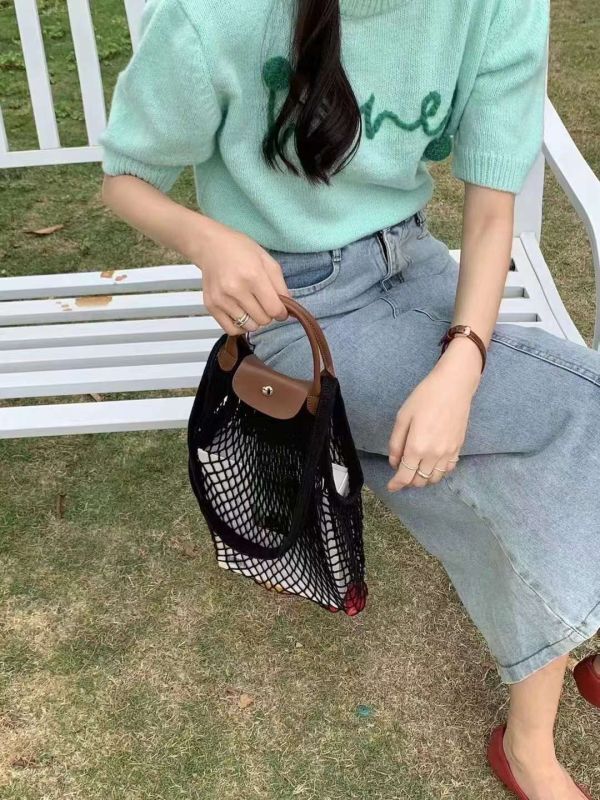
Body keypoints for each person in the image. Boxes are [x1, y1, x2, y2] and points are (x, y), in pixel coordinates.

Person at [99, 1, 600, 798]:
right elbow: (125, 178)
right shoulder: (218, 14)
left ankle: (536, 725)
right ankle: (536, 733)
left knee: (500, 461)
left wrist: (462, 364)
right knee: (581, 413)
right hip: (295, 312)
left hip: (418, 267)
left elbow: (490, 209)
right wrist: (208, 239)